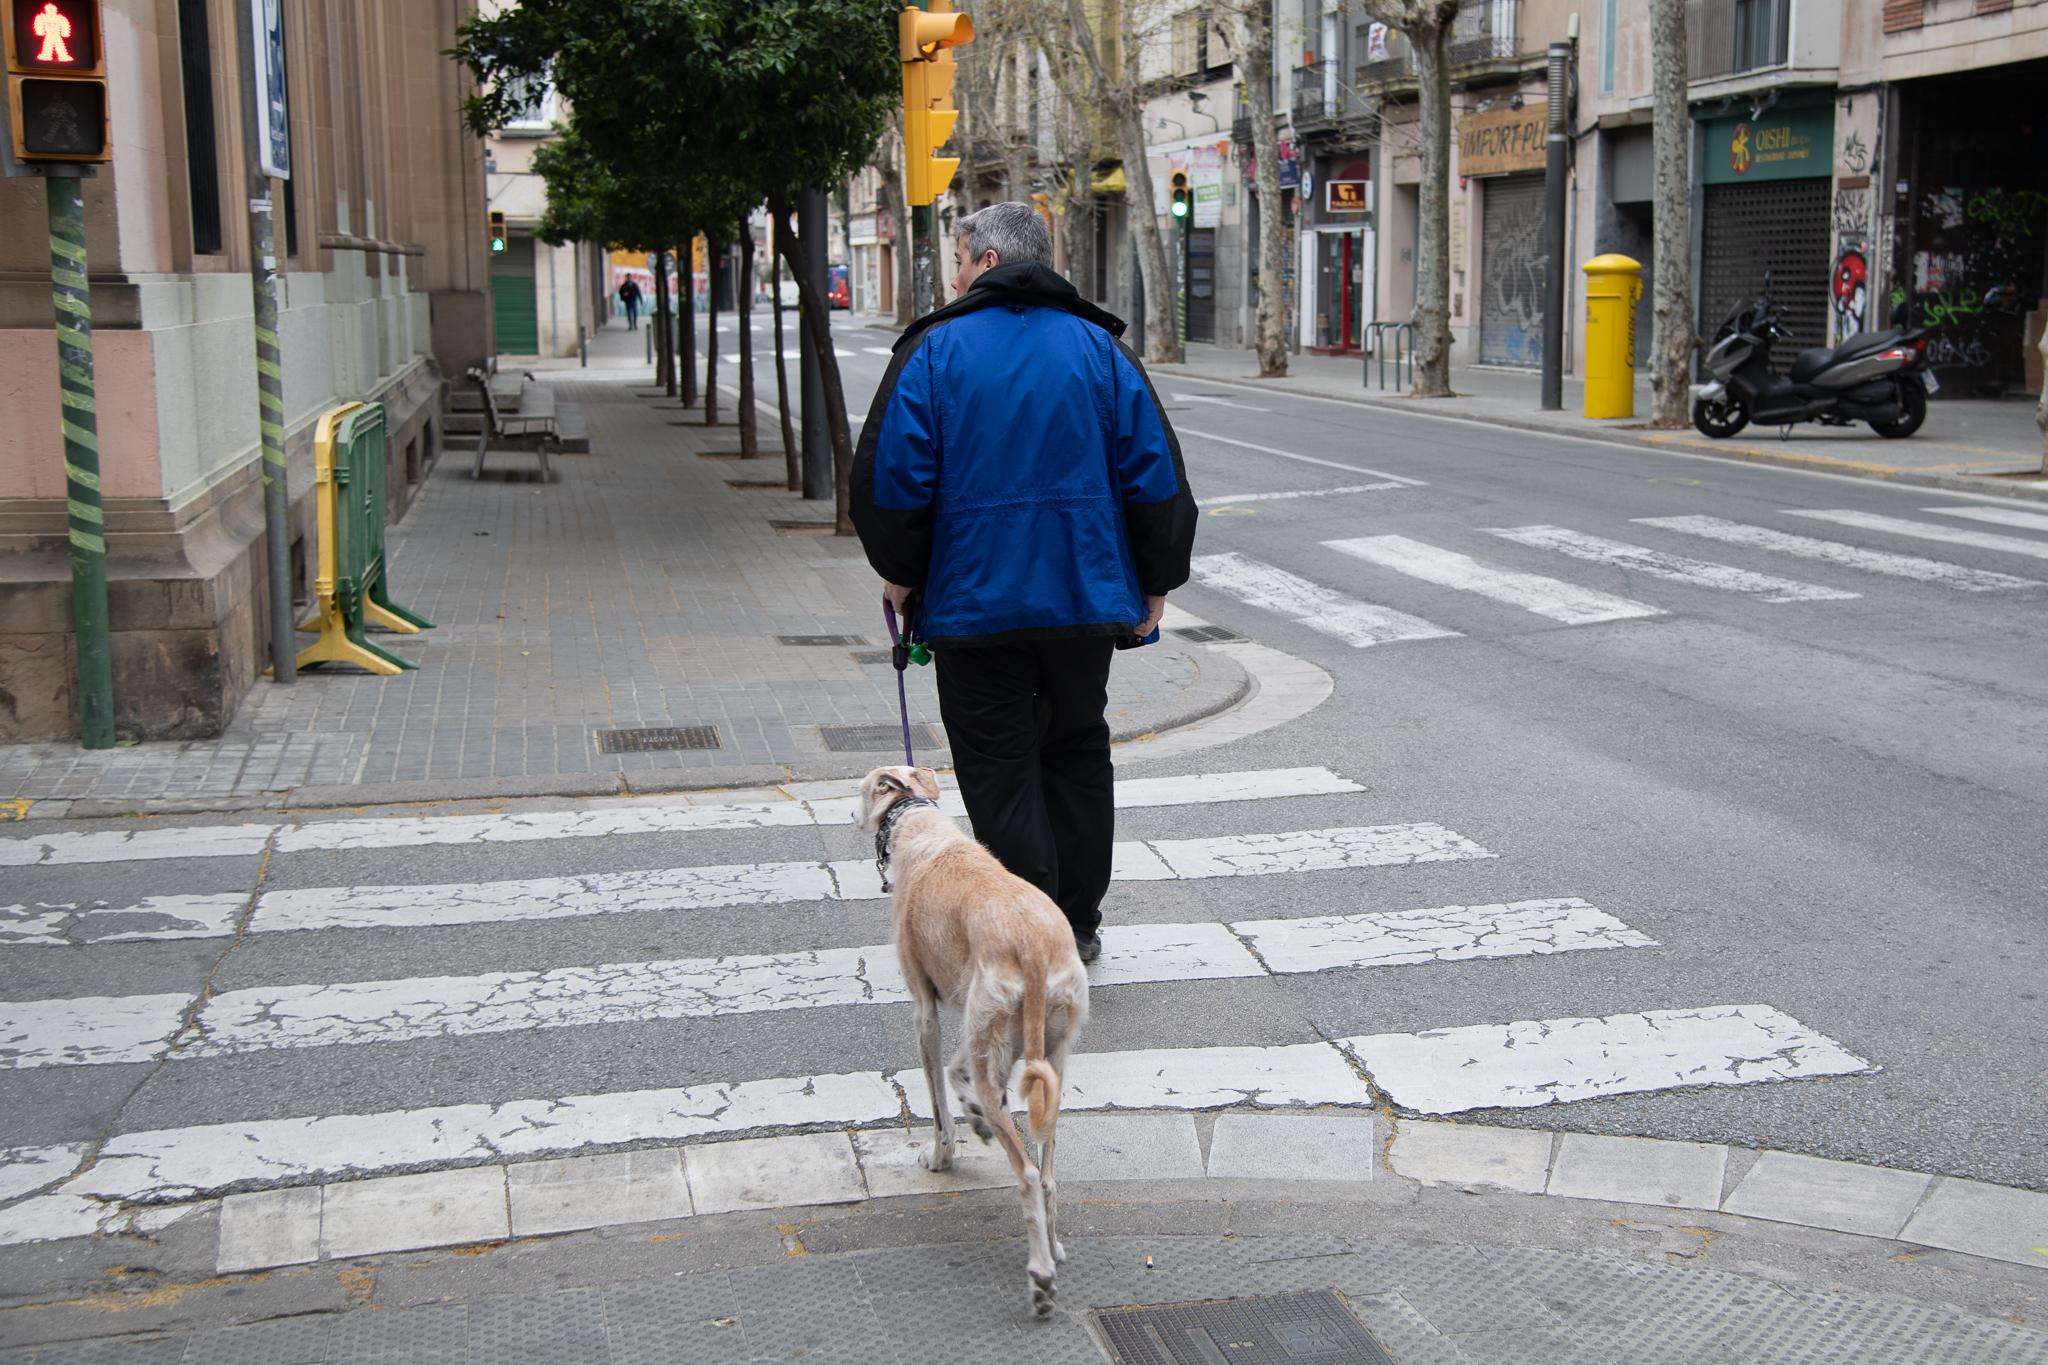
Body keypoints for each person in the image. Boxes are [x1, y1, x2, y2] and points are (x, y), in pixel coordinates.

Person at [851, 202, 1197, 964]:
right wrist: (1157, 582)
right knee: (1076, 749)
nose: (952, 274)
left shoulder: (934, 350)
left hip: (975, 607)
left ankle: (1029, 926)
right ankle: (1075, 920)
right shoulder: (1101, 351)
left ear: (984, 257)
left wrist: (902, 577)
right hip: (1082, 601)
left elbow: (889, 481)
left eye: (957, 258)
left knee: (997, 762)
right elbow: (1157, 477)